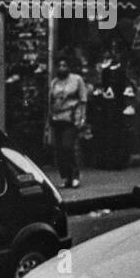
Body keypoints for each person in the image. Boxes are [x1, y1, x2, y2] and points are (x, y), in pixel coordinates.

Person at [48, 58, 88, 188]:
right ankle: (65, 176)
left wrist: (82, 118)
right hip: (57, 118)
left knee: (68, 146)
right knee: (59, 150)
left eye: (64, 65)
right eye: (59, 65)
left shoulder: (77, 80)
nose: (62, 68)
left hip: (71, 118)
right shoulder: (54, 82)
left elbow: (83, 99)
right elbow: (50, 102)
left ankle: (75, 175)